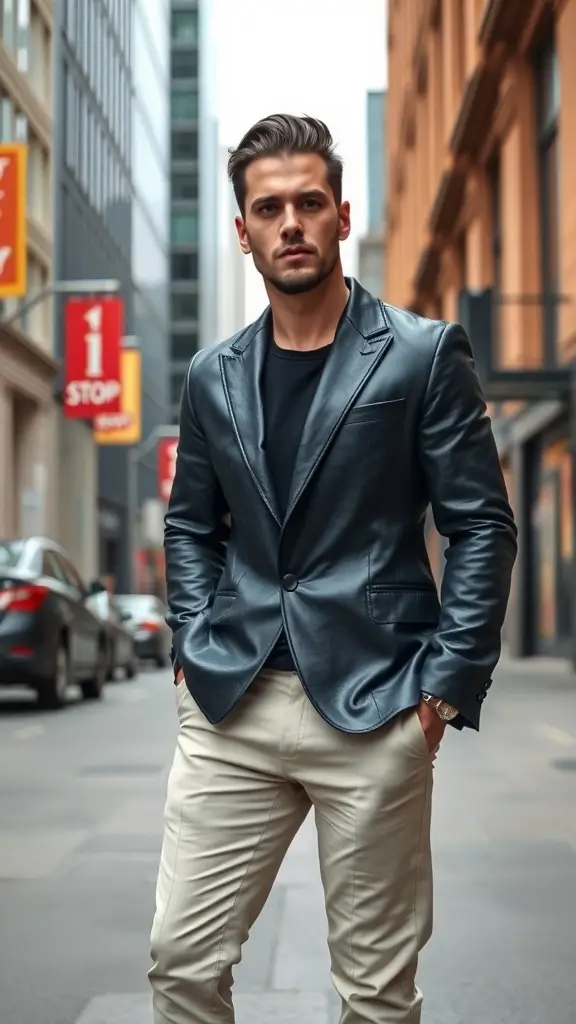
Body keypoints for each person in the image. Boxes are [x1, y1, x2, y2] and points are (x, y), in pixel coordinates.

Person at [149, 114, 517, 1023]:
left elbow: (482, 527)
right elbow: (192, 524)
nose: (291, 223)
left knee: (376, 994)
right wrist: (194, 644)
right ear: (242, 231)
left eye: (309, 202)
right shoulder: (211, 376)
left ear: (342, 216)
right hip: (232, 700)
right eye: (268, 207)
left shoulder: (424, 355)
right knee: (181, 962)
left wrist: (441, 692)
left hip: (379, 699)